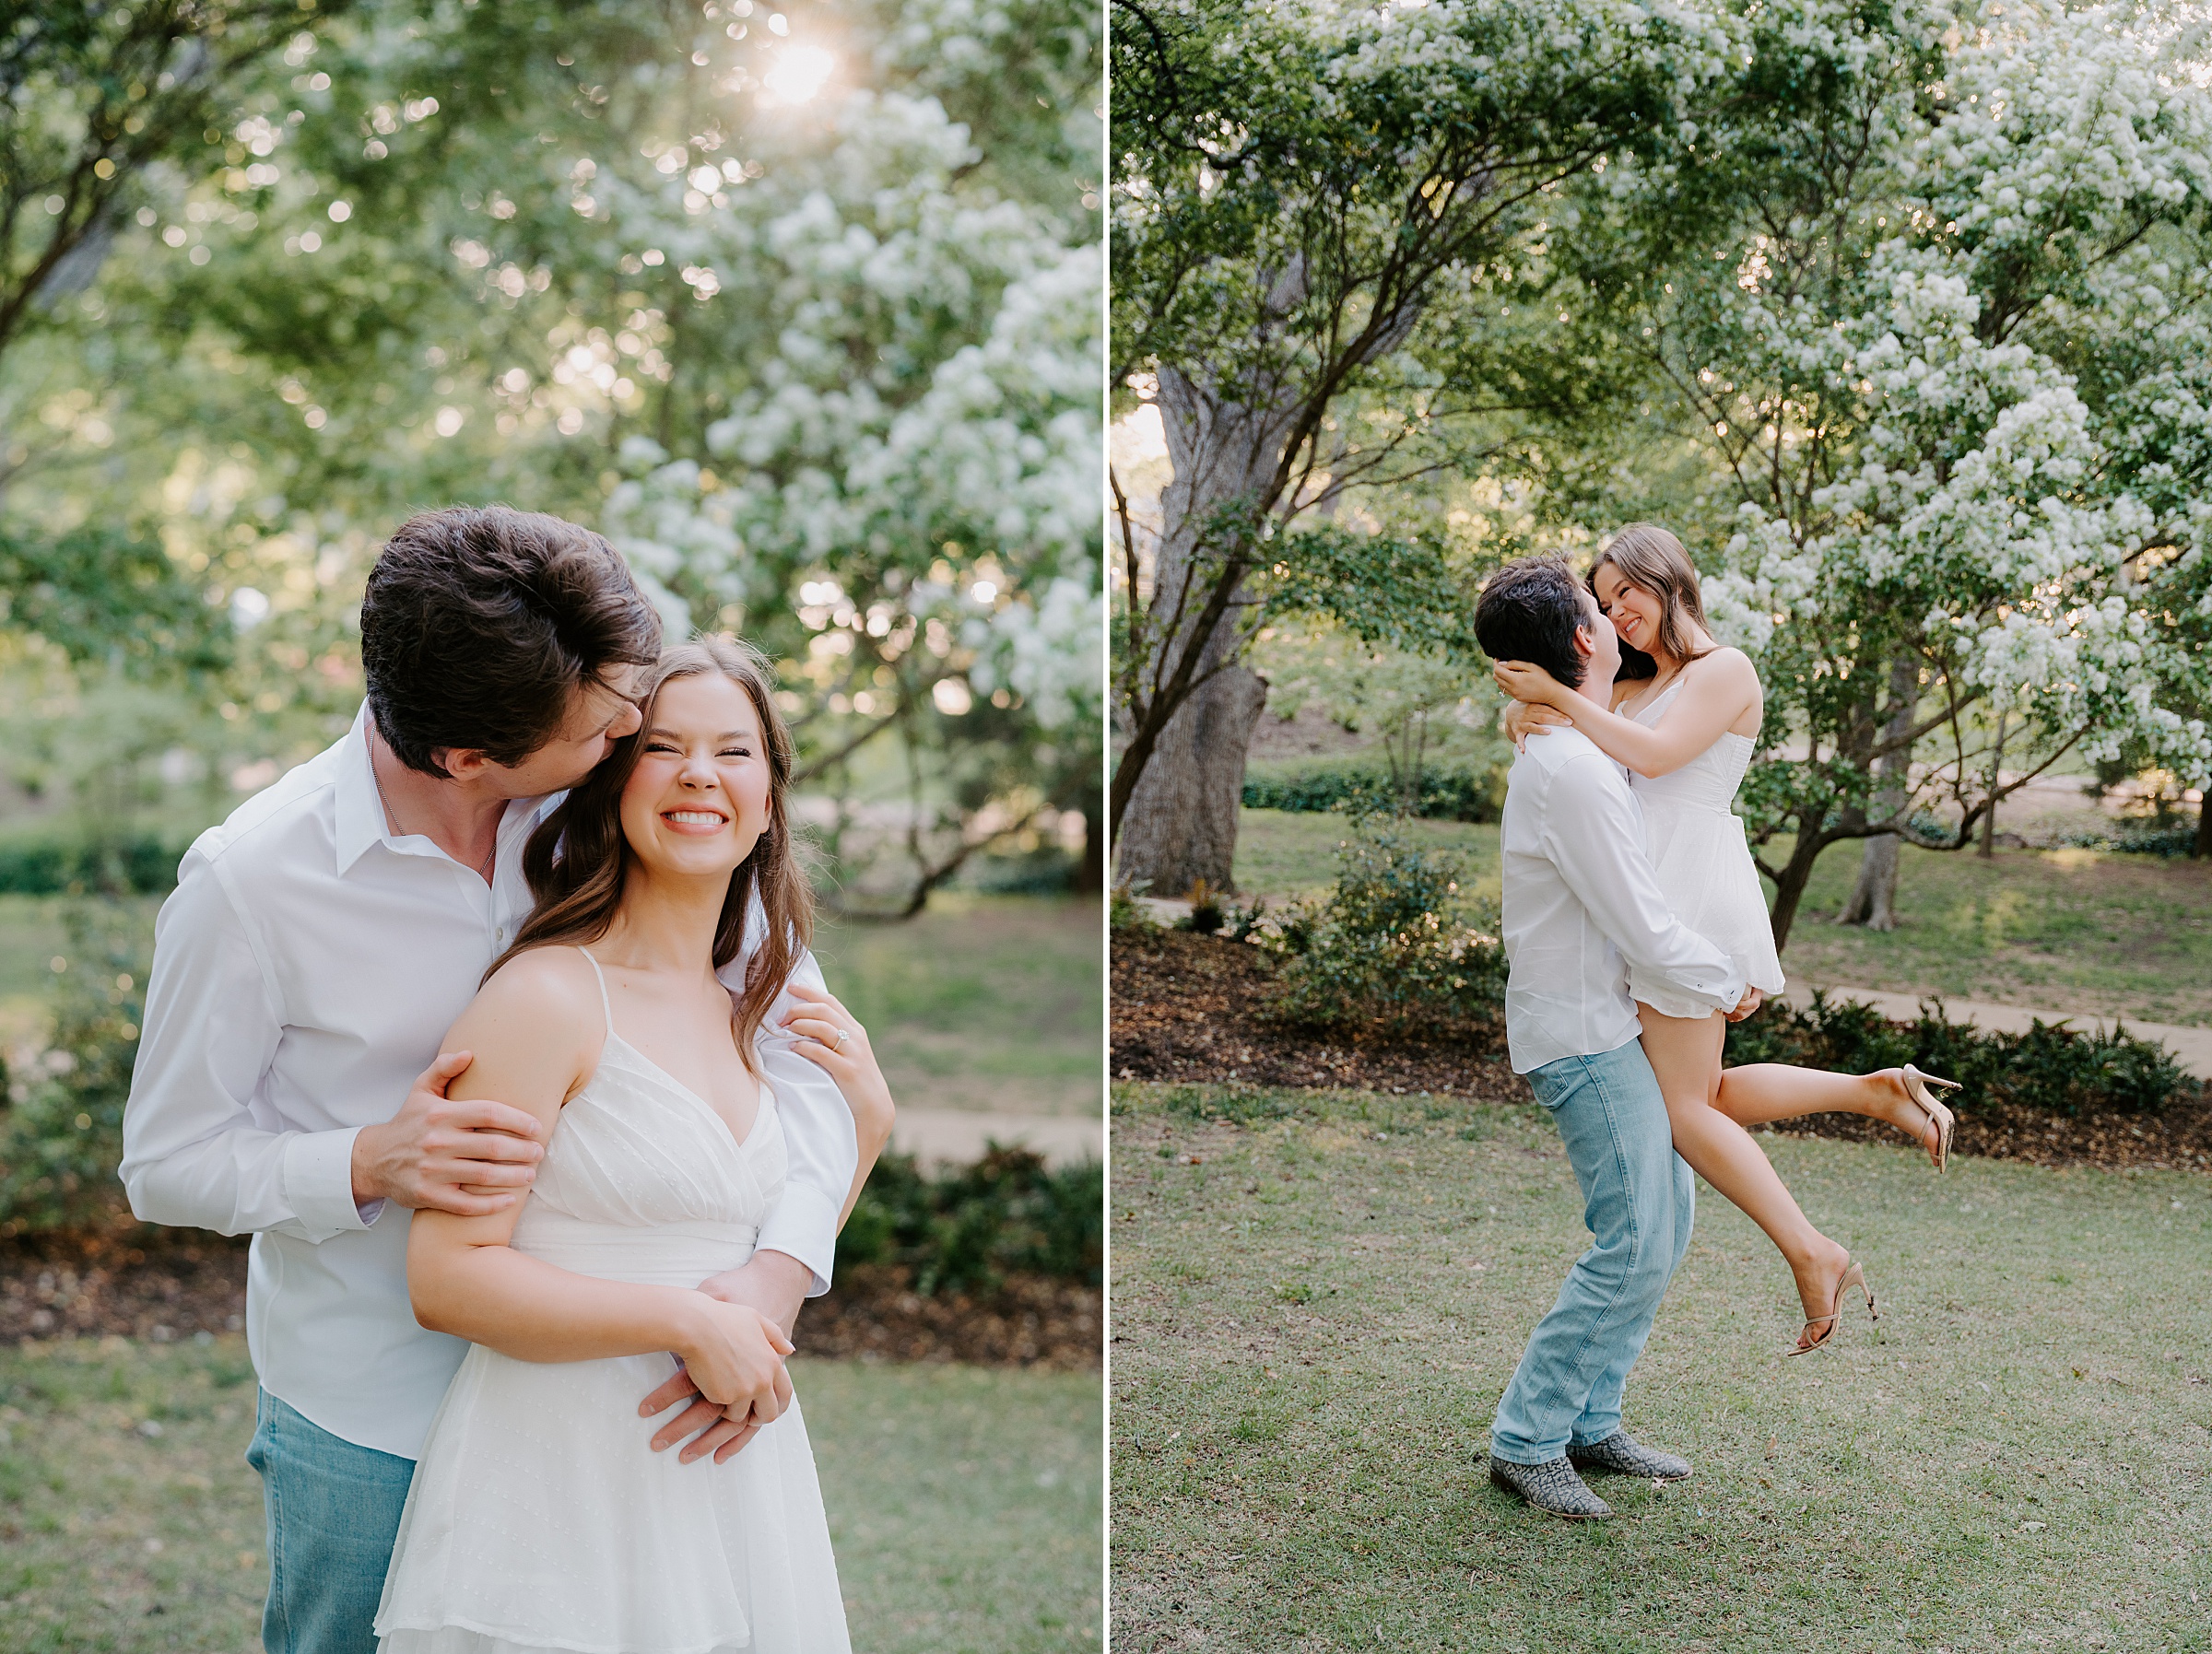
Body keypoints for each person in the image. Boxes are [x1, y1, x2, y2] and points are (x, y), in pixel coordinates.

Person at [120, 507, 892, 1654]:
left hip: (614, 1406)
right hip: (374, 1403)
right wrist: (365, 1161)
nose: (637, 734)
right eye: (611, 732)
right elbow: (165, 1164)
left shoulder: (610, 804)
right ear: (471, 758)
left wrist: (778, 1273)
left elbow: (805, 1060)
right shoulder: (254, 881)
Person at [376, 637, 857, 1652]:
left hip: (733, 1477)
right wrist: (686, 1320)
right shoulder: (543, 997)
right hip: (560, 1482)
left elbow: (799, 1191)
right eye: (664, 748)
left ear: (769, 796)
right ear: (609, 783)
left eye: (734, 752)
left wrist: (874, 1128)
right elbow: (446, 1279)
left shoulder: (764, 1004)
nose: (698, 775)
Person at [1492, 522, 1958, 1355]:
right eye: (1602, 603)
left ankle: (1812, 1248)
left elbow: (1660, 758)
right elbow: (1584, 747)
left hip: (1688, 893)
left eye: (1625, 592)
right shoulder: (1630, 683)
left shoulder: (1725, 670)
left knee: (1678, 1110)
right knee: (1701, 1096)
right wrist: (1534, 710)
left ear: (1667, 578)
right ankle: (1874, 1093)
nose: (1616, 612)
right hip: (1645, 889)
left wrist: (1555, 698)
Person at [1474, 555, 1754, 1521]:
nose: (1615, 616)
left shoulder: (1586, 749)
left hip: (1613, 1020)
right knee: (1634, 1235)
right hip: (1583, 1033)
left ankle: (1592, 1419)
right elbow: (1639, 919)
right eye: (1602, 607)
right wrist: (1725, 981)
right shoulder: (1572, 770)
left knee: (1664, 1223)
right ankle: (1527, 1438)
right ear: (1587, 642)